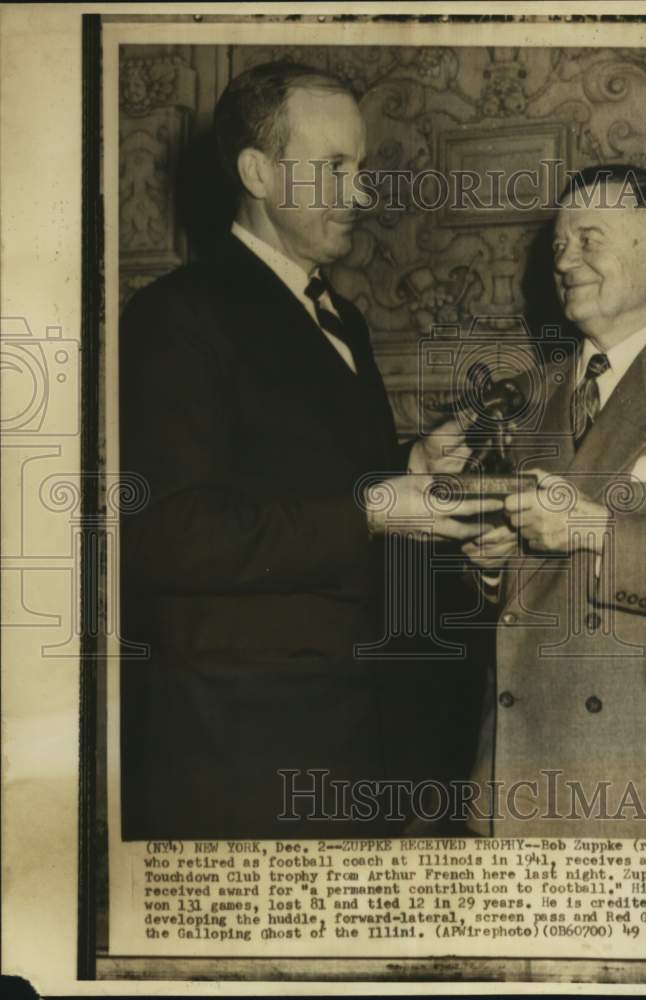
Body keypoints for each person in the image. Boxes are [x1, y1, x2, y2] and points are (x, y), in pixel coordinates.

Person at [119, 61, 495, 840]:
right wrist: (372, 508)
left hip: (345, 731)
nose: (360, 194)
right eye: (333, 169)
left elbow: (293, 473)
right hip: (241, 752)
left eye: (361, 169)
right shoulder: (176, 316)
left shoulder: (339, 316)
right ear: (257, 171)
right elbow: (170, 535)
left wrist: (409, 468)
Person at [463, 164, 646, 839]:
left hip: (645, 784)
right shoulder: (526, 396)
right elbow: (513, 596)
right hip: (513, 773)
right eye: (560, 244)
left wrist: (597, 530)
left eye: (590, 239)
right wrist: (488, 566)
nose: (566, 260)